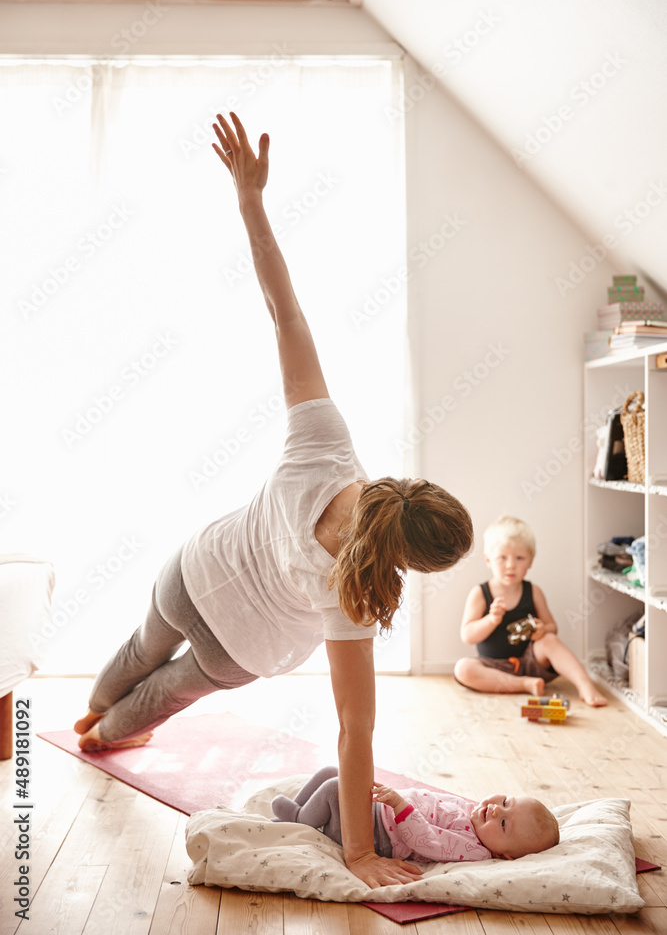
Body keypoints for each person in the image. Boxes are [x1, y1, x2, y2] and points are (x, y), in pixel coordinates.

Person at [72, 112, 474, 889]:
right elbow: (354, 731)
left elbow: (284, 313)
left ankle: (91, 709)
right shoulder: (353, 594)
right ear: (406, 560)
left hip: (188, 572)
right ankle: (106, 734)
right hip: (237, 648)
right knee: (162, 695)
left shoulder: (325, 443)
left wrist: (250, 199)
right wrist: (358, 853)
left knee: (136, 649)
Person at [454, 516, 607, 706]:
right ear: (488, 560)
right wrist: (491, 620)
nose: (511, 565)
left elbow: (552, 627)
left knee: (550, 641)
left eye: (519, 558)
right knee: (464, 669)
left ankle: (585, 685)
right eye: (502, 558)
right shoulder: (480, 593)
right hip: (492, 666)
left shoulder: (533, 591)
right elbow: (467, 636)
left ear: (530, 561)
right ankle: (524, 684)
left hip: (530, 662)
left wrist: (543, 629)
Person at [271, 766, 559, 862]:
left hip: (374, 836)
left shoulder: (473, 848)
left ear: (504, 855)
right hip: (377, 813)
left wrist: (398, 805)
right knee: (334, 772)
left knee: (336, 789)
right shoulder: (473, 812)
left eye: (505, 822)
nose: (497, 809)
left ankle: (298, 821)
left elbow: (427, 842)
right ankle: (296, 814)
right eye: (506, 801)